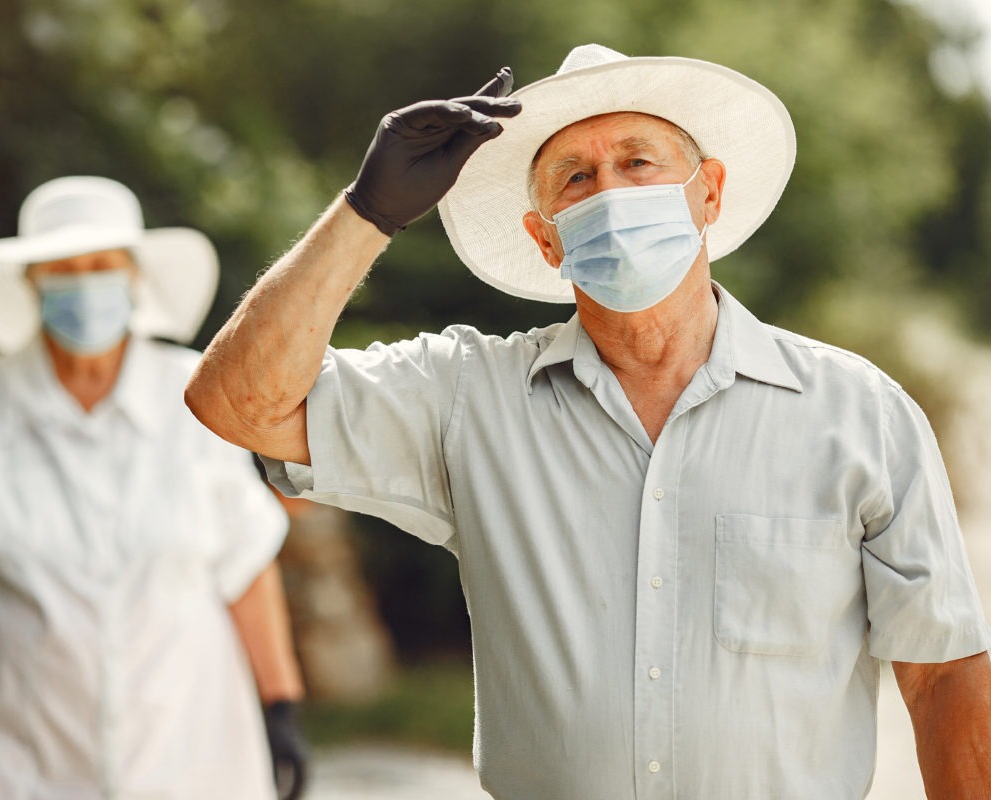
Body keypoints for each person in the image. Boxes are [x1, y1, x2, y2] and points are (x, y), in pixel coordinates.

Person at [183, 44, 991, 799]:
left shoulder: (857, 413)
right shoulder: (469, 395)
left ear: (707, 191)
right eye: (574, 178)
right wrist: (368, 214)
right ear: (545, 240)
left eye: (639, 162)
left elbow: (944, 673)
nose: (609, 191)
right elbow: (235, 402)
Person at [0, 176, 310, 800]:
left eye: (101, 266)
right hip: (7, 752)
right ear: (32, 283)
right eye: (64, 270)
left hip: (180, 748)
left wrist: (281, 706)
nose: (84, 284)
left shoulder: (193, 394)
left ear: (134, 277)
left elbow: (243, 561)